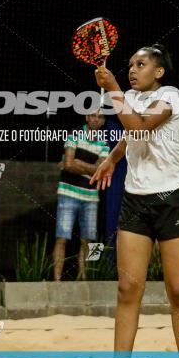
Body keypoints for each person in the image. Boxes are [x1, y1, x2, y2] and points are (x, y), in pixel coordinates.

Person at [90, 43, 179, 358]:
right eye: (130, 65)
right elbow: (131, 134)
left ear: (159, 71)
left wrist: (113, 89)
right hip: (135, 201)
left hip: (172, 199)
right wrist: (111, 159)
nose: (132, 70)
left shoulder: (172, 95)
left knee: (178, 291)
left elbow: (140, 126)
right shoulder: (132, 99)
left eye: (141, 64)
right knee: (127, 288)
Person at [53, 110, 109, 281]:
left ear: (103, 121)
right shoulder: (74, 134)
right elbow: (68, 164)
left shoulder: (104, 143)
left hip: (91, 197)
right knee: (62, 238)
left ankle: (83, 279)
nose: (95, 119)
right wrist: (89, 168)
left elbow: (100, 171)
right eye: (92, 115)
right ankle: (56, 281)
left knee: (88, 241)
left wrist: (78, 163)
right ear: (86, 117)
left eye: (99, 117)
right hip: (67, 193)